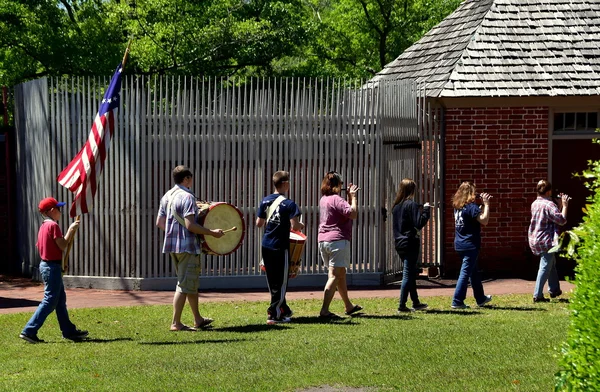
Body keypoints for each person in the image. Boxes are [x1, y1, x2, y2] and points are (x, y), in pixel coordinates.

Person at [156, 165, 224, 331]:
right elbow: (190, 225)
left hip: (173, 246)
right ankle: (176, 323)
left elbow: (160, 223)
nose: (191, 180)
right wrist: (211, 233)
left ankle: (198, 319)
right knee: (184, 285)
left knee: (189, 282)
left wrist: (173, 232)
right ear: (186, 178)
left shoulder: (167, 196)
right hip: (187, 246)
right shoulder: (187, 197)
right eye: (190, 177)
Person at [19, 197, 88, 343]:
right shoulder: (53, 226)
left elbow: (45, 247)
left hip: (48, 265)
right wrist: (70, 230)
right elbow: (62, 245)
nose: (61, 212)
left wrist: (61, 263)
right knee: (50, 300)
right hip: (51, 267)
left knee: (60, 300)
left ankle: (69, 331)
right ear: (51, 211)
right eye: (59, 209)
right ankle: (29, 330)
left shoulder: (43, 226)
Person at [256, 170, 305, 325]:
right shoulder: (290, 204)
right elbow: (295, 226)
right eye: (289, 181)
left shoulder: (265, 201)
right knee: (282, 281)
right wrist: (301, 225)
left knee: (272, 281)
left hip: (266, 244)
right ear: (284, 184)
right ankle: (274, 314)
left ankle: (282, 309)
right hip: (280, 245)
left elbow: (259, 223)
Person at [317, 171, 363, 318]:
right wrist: (354, 198)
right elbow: (353, 213)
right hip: (337, 241)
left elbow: (343, 213)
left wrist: (348, 198)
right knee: (334, 276)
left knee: (340, 274)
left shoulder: (324, 199)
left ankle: (348, 306)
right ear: (337, 185)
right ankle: (324, 310)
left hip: (324, 241)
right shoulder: (336, 199)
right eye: (341, 184)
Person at [451, 182, 493, 309]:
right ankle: (457, 300)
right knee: (465, 273)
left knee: (473, 272)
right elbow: (484, 220)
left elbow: (470, 217)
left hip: (459, 243)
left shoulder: (458, 206)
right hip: (470, 244)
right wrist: (486, 205)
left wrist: (479, 207)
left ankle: (480, 298)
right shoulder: (471, 206)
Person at [528, 180, 570, 303]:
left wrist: (558, 206)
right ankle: (538, 294)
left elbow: (551, 217)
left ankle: (554, 289)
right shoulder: (549, 205)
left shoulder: (535, 203)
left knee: (551, 263)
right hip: (546, 239)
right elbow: (561, 220)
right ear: (549, 191)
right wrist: (565, 206)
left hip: (535, 237)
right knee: (545, 265)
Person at [392, 178, 431, 312]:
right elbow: (419, 223)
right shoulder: (411, 204)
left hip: (399, 242)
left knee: (411, 272)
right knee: (408, 274)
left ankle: (415, 302)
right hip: (410, 242)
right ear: (412, 190)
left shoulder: (396, 206)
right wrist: (426, 210)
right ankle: (402, 305)